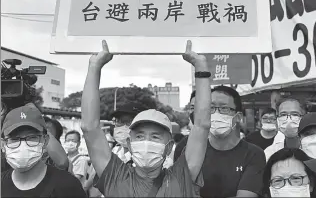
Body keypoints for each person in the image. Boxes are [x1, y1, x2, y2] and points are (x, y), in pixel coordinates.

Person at [81, 40, 211, 197]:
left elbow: (202, 126)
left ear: (169, 147)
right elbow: (90, 128)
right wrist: (94, 67)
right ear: (129, 143)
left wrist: (201, 67)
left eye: (155, 137)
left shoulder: (181, 178)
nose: (146, 143)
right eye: (140, 136)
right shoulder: (115, 177)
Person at [174, 85, 266, 198]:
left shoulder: (253, 154)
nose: (216, 114)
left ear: (238, 117)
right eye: (211, 108)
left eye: (224, 108)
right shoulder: (190, 151)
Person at [1, 103, 87, 197]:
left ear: (45, 140)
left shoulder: (67, 186)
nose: (23, 145)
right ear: (3, 144)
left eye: (32, 137)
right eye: (15, 139)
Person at [264, 96, 307, 161]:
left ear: (304, 117)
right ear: (277, 118)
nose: (289, 120)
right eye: (283, 114)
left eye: (295, 114)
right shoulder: (270, 153)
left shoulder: (312, 149)